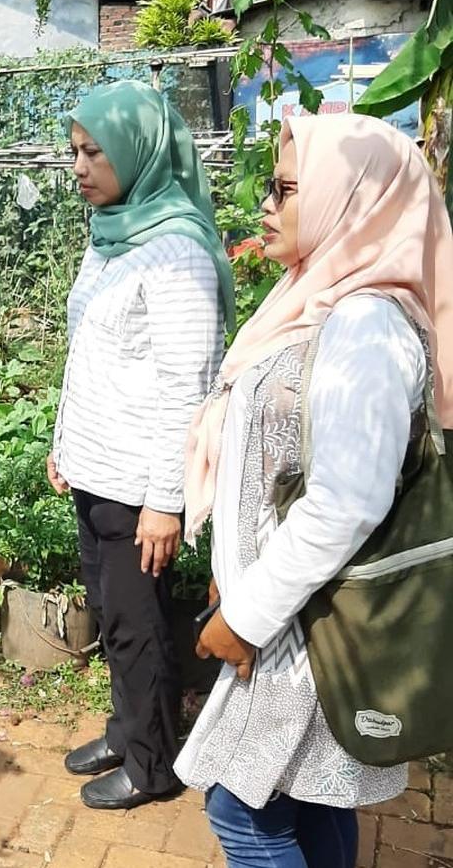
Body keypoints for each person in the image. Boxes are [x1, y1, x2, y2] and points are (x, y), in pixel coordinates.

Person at [177, 113, 453, 867]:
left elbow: (347, 500)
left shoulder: (365, 325)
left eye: (288, 188)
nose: (265, 204)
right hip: (297, 606)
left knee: (242, 809)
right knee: (304, 794)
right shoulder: (321, 299)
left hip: (304, 620)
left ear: (352, 201)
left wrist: (246, 612)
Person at [49, 80, 233, 811]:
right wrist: (64, 442)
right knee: (112, 612)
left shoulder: (176, 251)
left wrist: (165, 502)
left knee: (139, 626)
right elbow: (86, 348)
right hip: (97, 466)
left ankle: (155, 762)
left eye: (95, 151)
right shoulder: (112, 233)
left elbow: (186, 384)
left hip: (138, 483)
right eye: (75, 152)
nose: (80, 167)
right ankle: (127, 731)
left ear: (138, 150)